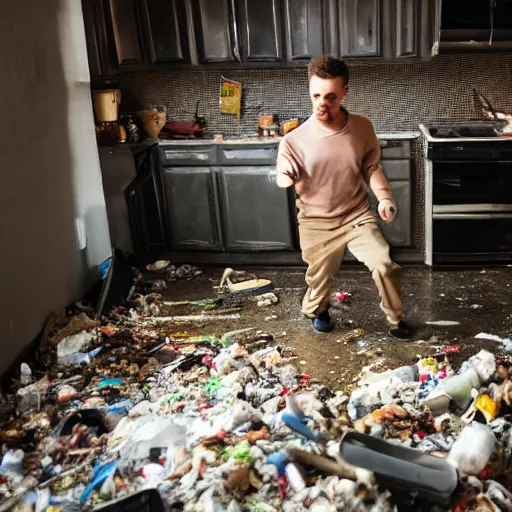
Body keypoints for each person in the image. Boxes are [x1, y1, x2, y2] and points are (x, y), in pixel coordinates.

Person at [275, 56, 410, 340]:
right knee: (319, 282)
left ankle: (396, 320)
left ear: (345, 91)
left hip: (355, 214)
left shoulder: (362, 128)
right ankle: (318, 309)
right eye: (316, 95)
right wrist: (284, 175)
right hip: (316, 222)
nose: (322, 103)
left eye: (331, 96)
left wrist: (384, 198)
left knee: (383, 264)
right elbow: (283, 172)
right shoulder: (294, 141)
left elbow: (371, 167)